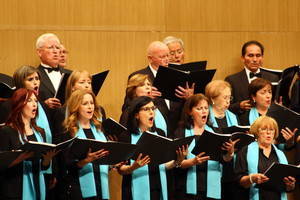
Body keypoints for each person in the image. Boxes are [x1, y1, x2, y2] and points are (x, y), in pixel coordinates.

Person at [117, 96, 187, 200]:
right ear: (136, 114)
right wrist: (134, 167)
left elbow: (163, 165)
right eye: (146, 109)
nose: (152, 112)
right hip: (134, 189)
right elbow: (120, 169)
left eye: (153, 108)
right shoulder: (126, 137)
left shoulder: (160, 133)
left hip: (158, 186)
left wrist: (177, 161)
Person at [174, 93, 237, 200]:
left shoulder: (216, 132)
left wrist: (230, 152)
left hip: (211, 187)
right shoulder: (181, 133)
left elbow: (224, 159)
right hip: (187, 188)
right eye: (199, 108)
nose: (204, 111)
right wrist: (193, 161)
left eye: (206, 108)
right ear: (190, 112)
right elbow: (177, 163)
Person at [127, 41, 193, 138]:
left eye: (167, 56)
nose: (166, 60)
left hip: (177, 132)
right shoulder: (139, 76)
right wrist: (145, 99)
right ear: (150, 59)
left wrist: (189, 98)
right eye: (162, 57)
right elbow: (127, 107)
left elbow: (182, 107)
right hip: (153, 132)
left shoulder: (176, 74)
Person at [0, 88, 56, 200]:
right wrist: (21, 157)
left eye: (36, 101)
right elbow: (1, 164)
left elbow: (43, 166)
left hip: (37, 186)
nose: (35, 104)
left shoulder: (40, 132)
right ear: (19, 104)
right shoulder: (7, 131)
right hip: (15, 190)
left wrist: (46, 160)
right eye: (30, 101)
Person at [59, 90, 109, 200]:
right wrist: (86, 160)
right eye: (85, 103)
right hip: (79, 187)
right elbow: (66, 165)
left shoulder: (98, 129)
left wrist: (112, 162)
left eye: (91, 103)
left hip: (101, 183)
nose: (90, 107)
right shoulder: (69, 132)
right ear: (76, 106)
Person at [235, 116, 296, 200]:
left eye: (271, 130)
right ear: (256, 132)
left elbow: (286, 187)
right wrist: (252, 178)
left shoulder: (280, 154)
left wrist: (290, 186)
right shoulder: (245, 151)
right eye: (264, 129)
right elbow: (239, 181)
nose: (268, 133)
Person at [204, 80, 240, 200]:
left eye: (230, 97)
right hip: (211, 168)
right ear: (213, 99)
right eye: (225, 97)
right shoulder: (205, 117)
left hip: (232, 169)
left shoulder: (233, 117)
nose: (228, 101)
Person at [238, 78, 297, 149]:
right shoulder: (245, 117)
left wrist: (289, 143)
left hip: (274, 156)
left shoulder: (279, 114)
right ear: (253, 97)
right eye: (263, 93)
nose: (268, 96)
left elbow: (281, 145)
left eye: (270, 92)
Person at [225, 40, 279, 114]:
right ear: (243, 58)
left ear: (262, 57)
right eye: (250, 55)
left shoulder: (273, 78)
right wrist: (239, 106)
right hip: (242, 121)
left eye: (258, 55)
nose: (255, 59)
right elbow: (225, 106)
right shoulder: (231, 80)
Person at [52, 70, 106, 142]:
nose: (87, 85)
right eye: (82, 82)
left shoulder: (99, 110)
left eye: (89, 82)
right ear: (72, 87)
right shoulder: (62, 112)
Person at [36, 33, 71, 109]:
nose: (55, 51)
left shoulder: (70, 74)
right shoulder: (34, 76)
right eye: (50, 47)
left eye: (58, 48)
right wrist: (44, 104)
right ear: (39, 52)